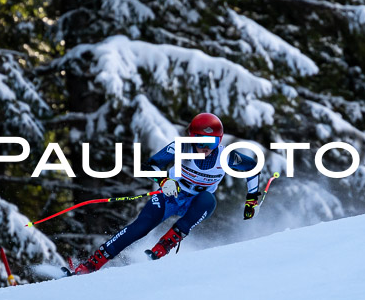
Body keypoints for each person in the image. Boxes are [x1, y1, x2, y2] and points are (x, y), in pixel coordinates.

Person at [71, 113, 261, 275]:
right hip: (172, 195)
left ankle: (165, 245)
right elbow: (149, 166)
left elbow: (252, 168)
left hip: (196, 203)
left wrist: (252, 200)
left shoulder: (226, 156)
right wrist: (164, 181)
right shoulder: (181, 147)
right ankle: (92, 264)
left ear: (219, 141)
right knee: (140, 227)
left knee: (208, 200)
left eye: (211, 142)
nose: (205, 147)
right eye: (199, 141)